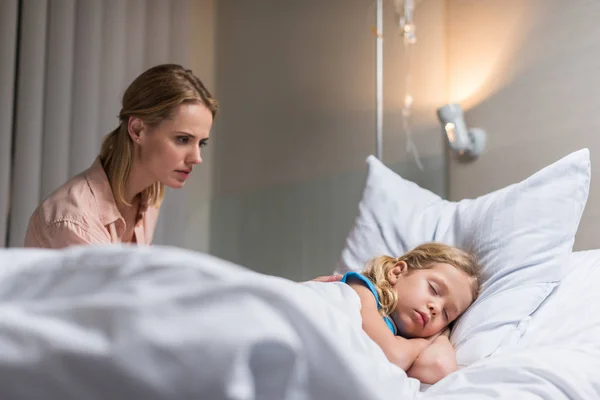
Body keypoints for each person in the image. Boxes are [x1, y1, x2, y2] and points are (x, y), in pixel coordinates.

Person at [24, 64, 218, 248]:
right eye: (183, 139)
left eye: (201, 143)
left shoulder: (148, 198)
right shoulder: (76, 220)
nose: (197, 158)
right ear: (137, 130)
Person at [341, 242, 480, 384]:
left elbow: (440, 367)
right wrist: (424, 342)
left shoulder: (403, 342)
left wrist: (441, 335)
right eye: (434, 289)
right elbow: (394, 356)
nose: (436, 308)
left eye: (446, 314)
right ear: (397, 272)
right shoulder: (361, 289)